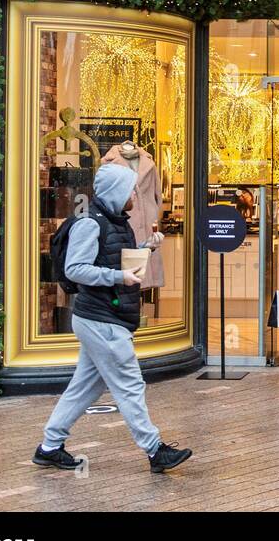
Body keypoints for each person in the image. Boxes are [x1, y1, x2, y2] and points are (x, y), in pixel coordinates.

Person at [34, 163, 192, 474]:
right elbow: (75, 269)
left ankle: (49, 447)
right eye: (130, 188)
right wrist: (117, 275)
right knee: (130, 384)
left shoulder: (117, 222)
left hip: (106, 316)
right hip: (102, 318)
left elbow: (116, 257)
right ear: (116, 192)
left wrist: (146, 247)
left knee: (84, 388)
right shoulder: (90, 224)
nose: (135, 193)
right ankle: (154, 450)